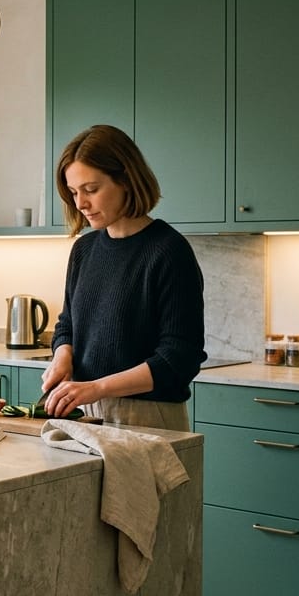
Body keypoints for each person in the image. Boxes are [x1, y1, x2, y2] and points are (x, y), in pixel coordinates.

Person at [40, 124, 206, 432]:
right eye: (74, 192)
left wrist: (97, 387)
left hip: (149, 419)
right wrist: (63, 355)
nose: (80, 203)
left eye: (91, 189)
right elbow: (68, 325)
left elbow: (180, 359)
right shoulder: (84, 249)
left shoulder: (168, 251)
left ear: (126, 180)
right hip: (85, 411)